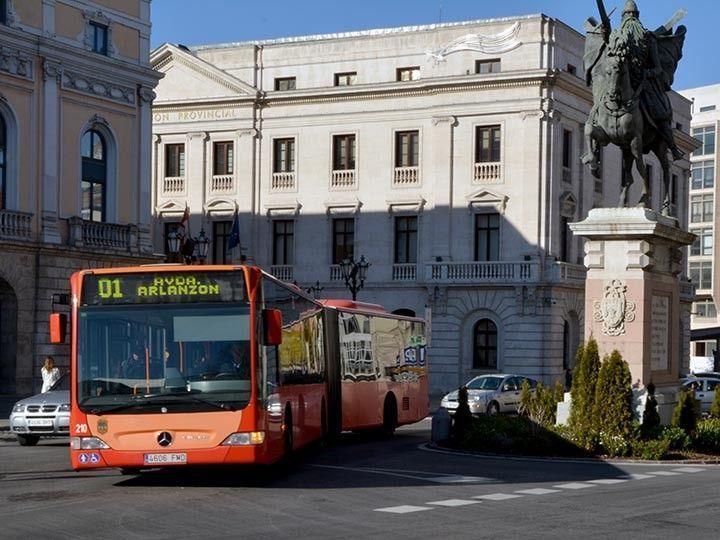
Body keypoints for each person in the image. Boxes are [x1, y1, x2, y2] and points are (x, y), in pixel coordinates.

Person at [606, 0, 684, 160]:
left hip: (643, 83)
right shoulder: (616, 36)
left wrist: (645, 74)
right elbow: (609, 54)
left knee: (660, 111)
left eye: (633, 15)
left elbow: (657, 68)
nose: (630, 18)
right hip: (620, 78)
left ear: (638, 17)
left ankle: (672, 146)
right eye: (628, 15)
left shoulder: (649, 38)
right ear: (622, 18)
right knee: (603, 100)